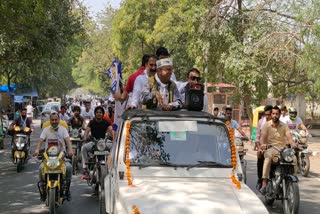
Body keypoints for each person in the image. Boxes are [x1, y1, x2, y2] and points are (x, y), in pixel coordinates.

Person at [34, 111, 73, 201]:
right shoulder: (46, 129)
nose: (54, 121)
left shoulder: (63, 129)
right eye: (52, 120)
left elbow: (68, 141)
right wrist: (37, 149)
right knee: (40, 168)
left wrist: (70, 150)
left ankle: (67, 189)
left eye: (56, 120)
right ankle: (43, 189)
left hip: (61, 155)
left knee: (68, 167)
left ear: (59, 120)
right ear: (50, 120)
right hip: (48, 156)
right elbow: (40, 141)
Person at [259, 106, 297, 194]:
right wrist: (263, 144)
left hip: (282, 149)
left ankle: (293, 179)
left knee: (293, 157)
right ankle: (264, 183)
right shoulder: (266, 125)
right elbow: (262, 137)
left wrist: (294, 145)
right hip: (270, 148)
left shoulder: (284, 126)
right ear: (271, 115)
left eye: (277, 114)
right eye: (273, 114)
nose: (275, 115)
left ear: (280, 115)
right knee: (268, 157)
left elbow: (289, 138)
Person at [81, 106, 112, 179]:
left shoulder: (106, 122)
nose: (99, 114)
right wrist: (85, 138)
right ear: (95, 114)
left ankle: (111, 166)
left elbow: (112, 129)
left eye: (100, 112)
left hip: (104, 143)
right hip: (93, 142)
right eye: (97, 112)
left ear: (103, 114)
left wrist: (115, 136)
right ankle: (85, 168)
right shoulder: (91, 122)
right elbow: (87, 131)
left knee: (114, 147)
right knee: (83, 148)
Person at [255, 105, 272, 190]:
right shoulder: (261, 122)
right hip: (263, 146)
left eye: (269, 114)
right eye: (266, 115)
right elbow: (257, 137)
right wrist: (259, 147)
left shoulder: (278, 122)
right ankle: (260, 179)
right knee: (260, 155)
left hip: (274, 147)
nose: (268, 117)